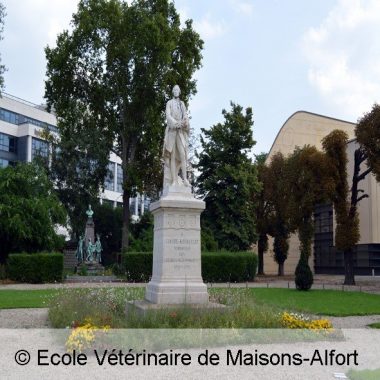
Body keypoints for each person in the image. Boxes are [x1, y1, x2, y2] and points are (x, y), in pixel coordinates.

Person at [162, 85, 190, 187]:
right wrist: (175, 123)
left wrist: (184, 122)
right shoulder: (169, 103)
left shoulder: (182, 104)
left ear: (180, 91)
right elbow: (168, 116)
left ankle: (185, 179)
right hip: (172, 131)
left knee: (183, 155)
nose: (175, 91)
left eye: (177, 90)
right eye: (174, 90)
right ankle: (174, 180)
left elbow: (185, 116)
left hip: (180, 132)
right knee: (173, 157)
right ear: (172, 92)